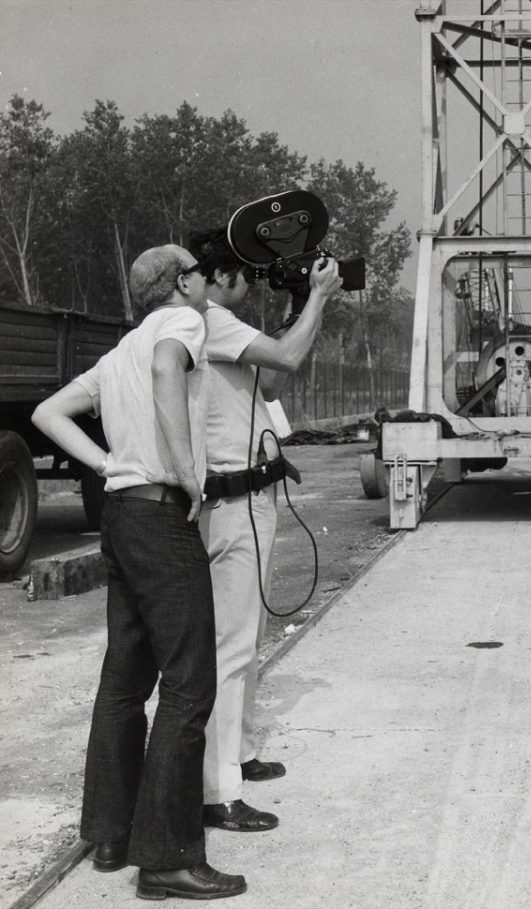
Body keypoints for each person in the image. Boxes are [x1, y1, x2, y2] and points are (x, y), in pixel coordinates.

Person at [31, 245, 247, 900]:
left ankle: (110, 832)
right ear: (182, 283)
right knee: (189, 684)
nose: (208, 282)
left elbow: (47, 413)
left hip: (122, 515)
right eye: (201, 274)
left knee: (125, 678)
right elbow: (165, 369)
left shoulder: (118, 349)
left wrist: (106, 464)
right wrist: (184, 471)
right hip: (159, 515)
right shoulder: (180, 325)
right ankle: (169, 858)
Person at [187, 228, 341, 833]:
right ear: (221, 276)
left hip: (251, 493)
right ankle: (217, 790)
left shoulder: (225, 327)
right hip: (232, 501)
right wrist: (319, 299)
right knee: (230, 645)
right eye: (245, 274)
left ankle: (241, 753)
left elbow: (272, 382)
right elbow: (288, 358)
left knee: (245, 637)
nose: (251, 285)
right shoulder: (211, 318)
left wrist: (302, 309)